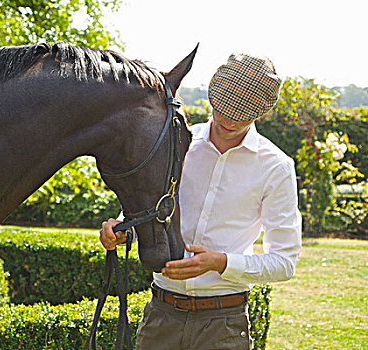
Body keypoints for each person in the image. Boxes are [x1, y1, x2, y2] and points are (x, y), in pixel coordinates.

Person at [99, 53, 302, 350]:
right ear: (212, 95)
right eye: (222, 108)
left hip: (224, 324)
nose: (229, 118)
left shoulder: (276, 167)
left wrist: (220, 263)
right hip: (160, 317)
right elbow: (148, 211)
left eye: (241, 113)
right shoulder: (178, 144)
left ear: (262, 112)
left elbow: (284, 263)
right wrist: (121, 229)